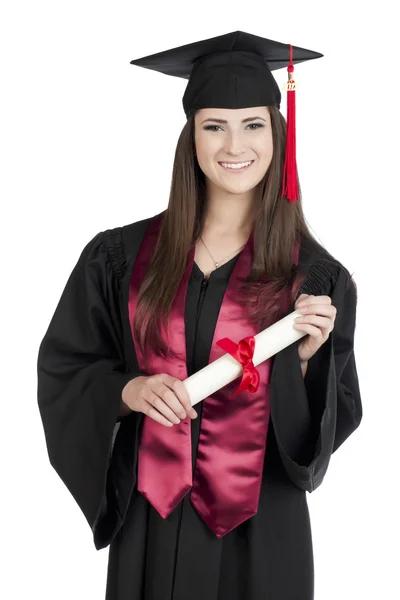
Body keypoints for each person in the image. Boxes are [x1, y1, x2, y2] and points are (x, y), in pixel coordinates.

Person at [37, 30, 362, 600]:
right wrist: (128, 391)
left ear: (277, 134)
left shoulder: (315, 277)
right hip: (152, 524)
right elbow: (67, 368)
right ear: (191, 137)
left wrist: (306, 365)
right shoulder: (118, 259)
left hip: (262, 533)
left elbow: (332, 425)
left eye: (253, 124)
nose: (234, 144)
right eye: (215, 126)